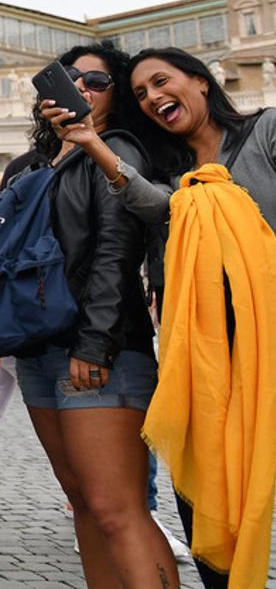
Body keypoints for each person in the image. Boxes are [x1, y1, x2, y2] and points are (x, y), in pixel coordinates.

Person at [0, 43, 179, 589]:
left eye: (98, 82)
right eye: (71, 79)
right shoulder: (35, 166)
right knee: (82, 500)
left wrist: (95, 343)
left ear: (115, 98)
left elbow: (114, 253)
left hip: (96, 350)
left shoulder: (117, 150)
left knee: (117, 507)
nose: (81, 88)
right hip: (38, 350)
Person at [48, 46, 274, 588]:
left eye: (162, 82)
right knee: (205, 499)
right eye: (142, 93)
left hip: (266, 339)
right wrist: (90, 143)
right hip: (199, 354)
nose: (153, 97)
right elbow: (155, 206)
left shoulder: (264, 133)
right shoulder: (170, 169)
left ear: (200, 82)